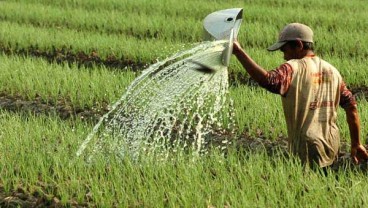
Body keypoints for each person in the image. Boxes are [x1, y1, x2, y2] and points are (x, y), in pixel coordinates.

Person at [232, 22, 368, 169]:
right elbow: (351, 107)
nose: (284, 56)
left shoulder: (293, 67)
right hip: (332, 144)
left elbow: (268, 80)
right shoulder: (333, 71)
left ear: (298, 45)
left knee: (304, 187)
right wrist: (356, 143)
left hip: (306, 147)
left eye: (285, 50)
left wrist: (239, 52)